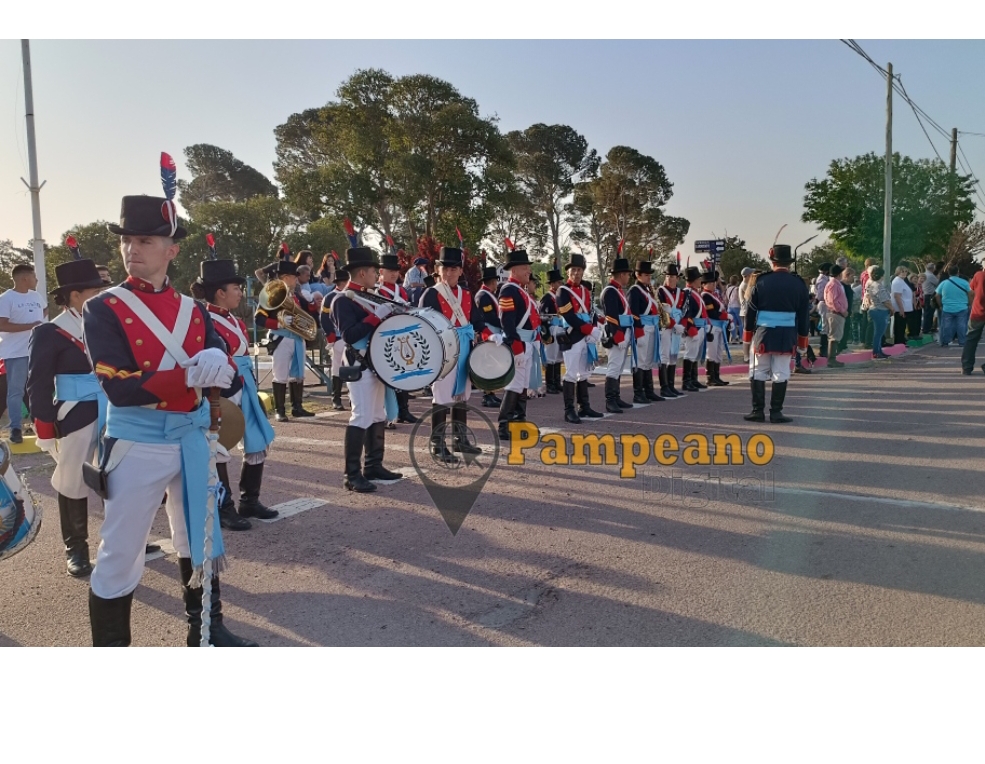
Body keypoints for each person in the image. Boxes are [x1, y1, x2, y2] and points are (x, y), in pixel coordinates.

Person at [83, 191, 255, 647]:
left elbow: (230, 368)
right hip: (137, 441)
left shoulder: (194, 310)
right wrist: (187, 376)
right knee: (120, 551)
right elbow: (117, 385)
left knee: (197, 537)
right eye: (127, 240)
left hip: (191, 438)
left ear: (171, 250)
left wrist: (223, 369)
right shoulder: (102, 308)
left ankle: (207, 630)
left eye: (144, 241)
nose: (132, 250)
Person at [26, 258, 106, 576]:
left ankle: (125, 539)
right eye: (94, 291)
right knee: (73, 480)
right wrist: (44, 427)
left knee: (120, 475)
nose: (101, 296)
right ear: (75, 295)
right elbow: (38, 383)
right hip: (77, 414)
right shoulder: (50, 331)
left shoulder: (106, 324)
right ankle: (76, 547)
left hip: (113, 409)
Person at [196, 258, 278, 528]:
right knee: (216, 448)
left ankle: (249, 500)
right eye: (236, 287)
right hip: (222, 386)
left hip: (245, 383)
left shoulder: (234, 319)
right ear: (220, 292)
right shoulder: (203, 320)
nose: (240, 292)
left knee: (257, 441)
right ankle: (224, 506)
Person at [332, 247, 404, 492]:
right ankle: (351, 475)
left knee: (376, 415)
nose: (377, 275)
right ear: (362, 273)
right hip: (359, 364)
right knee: (361, 415)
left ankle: (374, 466)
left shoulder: (368, 296)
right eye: (374, 271)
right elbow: (349, 335)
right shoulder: (342, 300)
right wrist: (376, 318)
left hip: (375, 364)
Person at [421, 248, 485, 460]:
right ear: (438, 270)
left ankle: (460, 439)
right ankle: (437, 444)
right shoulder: (431, 294)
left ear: (460, 271)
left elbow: (477, 320)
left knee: (461, 395)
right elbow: (423, 324)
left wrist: (486, 335)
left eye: (453, 269)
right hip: (443, 351)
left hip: (464, 348)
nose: (449, 273)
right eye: (445, 269)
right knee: (441, 395)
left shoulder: (466, 294)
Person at [742, 244, 810, 423]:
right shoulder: (798, 283)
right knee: (781, 372)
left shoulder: (761, 281)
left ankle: (757, 411)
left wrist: (748, 336)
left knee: (758, 371)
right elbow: (804, 315)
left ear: (772, 261)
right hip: (786, 335)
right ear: (788, 263)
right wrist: (803, 341)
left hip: (763, 334)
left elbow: (751, 312)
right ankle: (776, 412)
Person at [254, 260, 317, 421]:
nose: (297, 280)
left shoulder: (295, 294)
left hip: (297, 338)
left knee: (298, 375)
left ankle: (297, 407)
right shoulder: (271, 293)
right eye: (294, 277)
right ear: (285, 277)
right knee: (280, 374)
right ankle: (280, 410)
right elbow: (259, 318)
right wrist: (278, 322)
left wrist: (312, 304)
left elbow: (306, 311)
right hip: (281, 338)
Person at [0, 263, 47, 443]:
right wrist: (30, 326)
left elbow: (44, 309)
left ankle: (41, 425)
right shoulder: (6, 299)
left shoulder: (35, 296)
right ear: (25, 278)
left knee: (38, 389)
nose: (36, 280)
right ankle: (15, 429)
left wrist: (38, 323)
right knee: (15, 391)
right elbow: (2, 324)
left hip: (36, 350)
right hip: (15, 353)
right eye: (34, 277)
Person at [496, 249, 539, 438]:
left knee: (522, 385)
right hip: (518, 343)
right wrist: (516, 347)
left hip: (527, 342)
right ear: (513, 270)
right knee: (514, 385)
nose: (528, 271)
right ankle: (504, 425)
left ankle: (519, 422)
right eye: (524, 268)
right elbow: (507, 321)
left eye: (528, 268)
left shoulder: (521, 290)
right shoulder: (508, 290)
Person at [556, 253, 604, 424]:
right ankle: (569, 410)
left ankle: (585, 406)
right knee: (570, 373)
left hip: (586, 335)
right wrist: (590, 330)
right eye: (573, 270)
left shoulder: (585, 290)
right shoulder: (562, 291)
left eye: (580, 270)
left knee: (583, 373)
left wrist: (595, 328)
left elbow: (590, 312)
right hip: (573, 335)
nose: (577, 273)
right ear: (568, 272)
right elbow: (569, 317)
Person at [377, 252, 419, 426]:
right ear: (381, 271)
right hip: (387, 336)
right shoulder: (378, 291)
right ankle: (389, 412)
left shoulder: (401, 290)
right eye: (389, 270)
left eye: (395, 270)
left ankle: (404, 410)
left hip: (403, 333)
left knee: (403, 373)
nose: (393, 274)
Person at [599, 257, 635, 413]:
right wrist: (618, 336)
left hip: (624, 330)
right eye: (627, 274)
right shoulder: (610, 291)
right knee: (613, 367)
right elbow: (611, 315)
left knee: (619, 367)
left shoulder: (618, 290)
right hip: (616, 333)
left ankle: (616, 397)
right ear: (621, 274)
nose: (628, 277)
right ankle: (610, 400)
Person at [627, 260, 665, 402]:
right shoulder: (635, 291)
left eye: (649, 274)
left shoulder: (648, 290)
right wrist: (638, 332)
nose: (649, 277)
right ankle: (639, 393)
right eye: (645, 274)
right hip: (642, 329)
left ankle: (649, 391)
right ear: (638, 275)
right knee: (640, 361)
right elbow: (634, 313)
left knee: (648, 361)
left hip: (652, 328)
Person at [474, 266, 504, 408]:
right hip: (488, 331)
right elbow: (489, 316)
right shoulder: (483, 296)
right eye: (495, 282)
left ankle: (491, 393)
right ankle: (487, 395)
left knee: (492, 363)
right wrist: (503, 324)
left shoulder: (488, 295)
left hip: (493, 330)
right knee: (487, 363)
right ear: (492, 282)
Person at [656, 263, 687, 399]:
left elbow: (686, 311)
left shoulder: (683, 293)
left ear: (677, 278)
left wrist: (683, 326)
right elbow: (661, 311)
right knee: (664, 356)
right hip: (666, 327)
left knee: (673, 356)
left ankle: (671, 385)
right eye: (668, 276)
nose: (670, 278)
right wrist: (674, 325)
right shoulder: (660, 291)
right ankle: (664, 387)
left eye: (672, 276)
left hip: (678, 328)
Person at [320, 269, 350, 410]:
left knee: (351, 367)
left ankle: (351, 397)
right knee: (337, 367)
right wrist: (330, 335)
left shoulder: (352, 295)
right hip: (338, 337)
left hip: (351, 336)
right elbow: (324, 318)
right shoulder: (330, 296)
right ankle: (336, 398)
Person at [680, 267, 708, 393]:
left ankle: (693, 378)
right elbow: (686, 313)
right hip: (694, 327)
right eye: (698, 279)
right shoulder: (687, 293)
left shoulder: (695, 292)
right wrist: (691, 329)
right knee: (690, 354)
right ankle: (686, 381)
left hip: (700, 326)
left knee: (695, 354)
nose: (700, 280)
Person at [701, 270, 731, 386]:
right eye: (710, 283)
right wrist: (725, 316)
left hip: (719, 325)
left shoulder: (714, 295)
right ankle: (710, 377)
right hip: (712, 326)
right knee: (712, 352)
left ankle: (716, 376)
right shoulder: (705, 296)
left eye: (714, 283)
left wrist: (728, 319)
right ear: (704, 284)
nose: (713, 285)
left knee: (718, 352)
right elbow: (711, 313)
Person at [539, 268, 565, 395]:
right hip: (551, 328)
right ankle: (550, 384)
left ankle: (557, 382)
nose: (560, 284)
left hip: (560, 327)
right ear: (552, 284)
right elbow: (542, 316)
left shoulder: (559, 297)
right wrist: (546, 333)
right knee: (551, 356)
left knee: (558, 356)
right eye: (558, 282)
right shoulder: (547, 298)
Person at [936, 266, 971, 348]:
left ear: (949, 273)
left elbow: (937, 295)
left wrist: (940, 305)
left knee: (947, 325)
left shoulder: (944, 283)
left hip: (947, 307)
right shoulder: (964, 282)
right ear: (958, 272)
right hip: (962, 307)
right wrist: (969, 303)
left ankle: (946, 341)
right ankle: (962, 341)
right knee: (962, 325)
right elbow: (970, 293)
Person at [863, 266, 893, 359]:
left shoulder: (870, 283)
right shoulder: (878, 286)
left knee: (878, 333)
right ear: (881, 276)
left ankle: (879, 350)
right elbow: (885, 300)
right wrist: (892, 309)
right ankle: (876, 352)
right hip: (880, 310)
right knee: (879, 333)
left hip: (874, 309)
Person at [823, 264, 848, 368]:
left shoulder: (835, 284)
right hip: (836, 313)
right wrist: (842, 310)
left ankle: (832, 358)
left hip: (836, 313)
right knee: (834, 337)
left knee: (836, 336)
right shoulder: (833, 284)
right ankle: (831, 359)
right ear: (838, 274)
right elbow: (833, 301)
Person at [961, 266, 985, 374]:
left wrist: (972, 304)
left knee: (971, 339)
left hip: (977, 311)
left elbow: (972, 291)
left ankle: (967, 367)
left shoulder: (978, 275)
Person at [890, 266, 914, 347]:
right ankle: (899, 342)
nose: (904, 273)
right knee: (899, 326)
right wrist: (901, 309)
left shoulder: (902, 281)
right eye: (902, 271)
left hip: (906, 307)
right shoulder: (897, 281)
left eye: (905, 271)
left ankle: (902, 341)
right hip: (901, 308)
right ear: (897, 272)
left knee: (903, 326)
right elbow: (897, 296)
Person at [815, 263, 831, 357]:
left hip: (826, 304)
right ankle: (823, 349)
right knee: (825, 327)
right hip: (824, 303)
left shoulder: (824, 279)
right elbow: (820, 295)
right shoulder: (822, 280)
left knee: (827, 327)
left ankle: (825, 348)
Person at [725, 275, 742, 343]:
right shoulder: (737, 289)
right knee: (741, 323)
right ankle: (741, 338)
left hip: (730, 307)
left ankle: (733, 338)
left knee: (732, 323)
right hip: (737, 307)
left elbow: (726, 299)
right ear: (737, 281)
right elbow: (738, 298)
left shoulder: (728, 289)